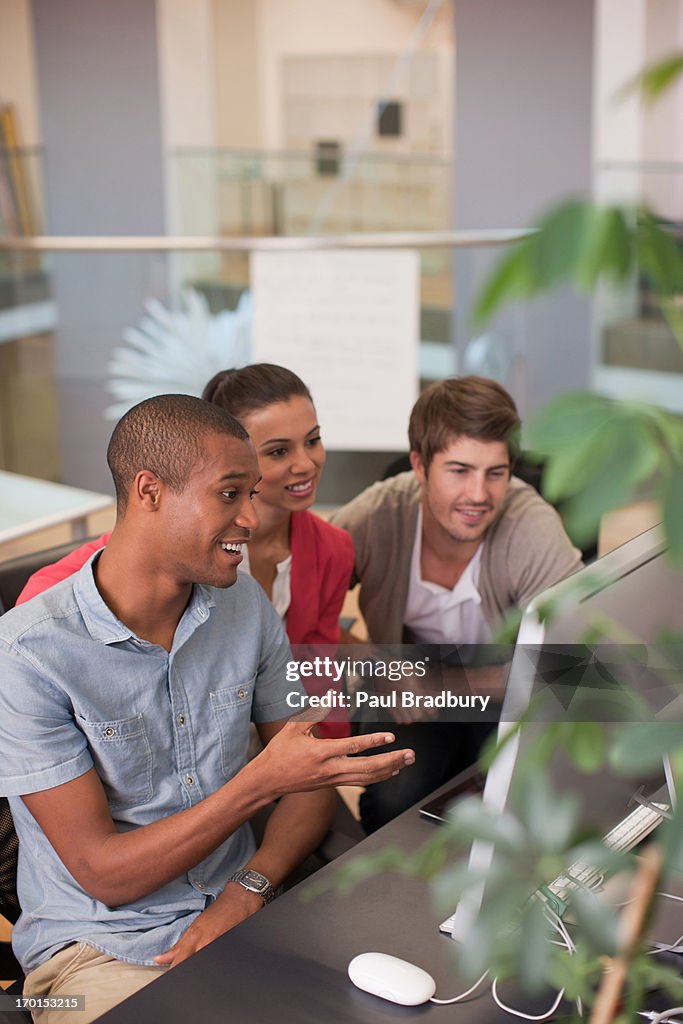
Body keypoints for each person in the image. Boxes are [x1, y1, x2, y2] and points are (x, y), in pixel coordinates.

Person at [0, 395, 414, 1024]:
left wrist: (250, 888)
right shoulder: (29, 653)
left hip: (244, 911)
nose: (251, 517)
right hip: (94, 957)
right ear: (149, 492)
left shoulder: (243, 604)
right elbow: (105, 875)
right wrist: (262, 782)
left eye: (252, 493)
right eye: (229, 494)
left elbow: (306, 786)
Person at [17, 364, 354, 737]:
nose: (306, 464)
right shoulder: (54, 601)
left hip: (278, 737)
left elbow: (317, 675)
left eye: (313, 440)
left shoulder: (331, 549)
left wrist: (326, 762)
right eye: (277, 451)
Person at [329, 375, 583, 833]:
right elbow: (310, 612)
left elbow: (571, 662)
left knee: (526, 806)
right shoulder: (378, 515)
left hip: (506, 685)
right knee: (394, 804)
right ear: (420, 466)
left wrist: (446, 683)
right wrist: (382, 666)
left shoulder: (530, 525)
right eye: (460, 471)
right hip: (409, 680)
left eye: (496, 472)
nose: (479, 496)